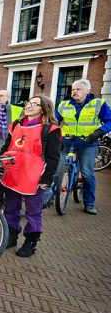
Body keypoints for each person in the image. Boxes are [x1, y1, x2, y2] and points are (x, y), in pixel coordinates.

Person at [0, 95, 62, 257]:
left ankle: (31, 242)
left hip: (34, 177)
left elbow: (53, 157)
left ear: (44, 109)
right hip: (12, 173)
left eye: (35, 104)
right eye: (29, 103)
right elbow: (6, 146)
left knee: (33, 212)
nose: (29, 106)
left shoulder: (51, 129)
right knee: (10, 208)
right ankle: (11, 236)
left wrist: (47, 179)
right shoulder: (16, 125)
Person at [54, 79, 111, 215]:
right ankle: (50, 198)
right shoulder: (63, 105)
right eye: (73, 89)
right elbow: (54, 121)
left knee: (87, 173)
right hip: (67, 142)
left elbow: (109, 121)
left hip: (88, 144)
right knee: (57, 170)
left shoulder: (98, 104)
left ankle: (89, 203)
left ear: (87, 91)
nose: (74, 92)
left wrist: (99, 131)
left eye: (78, 89)